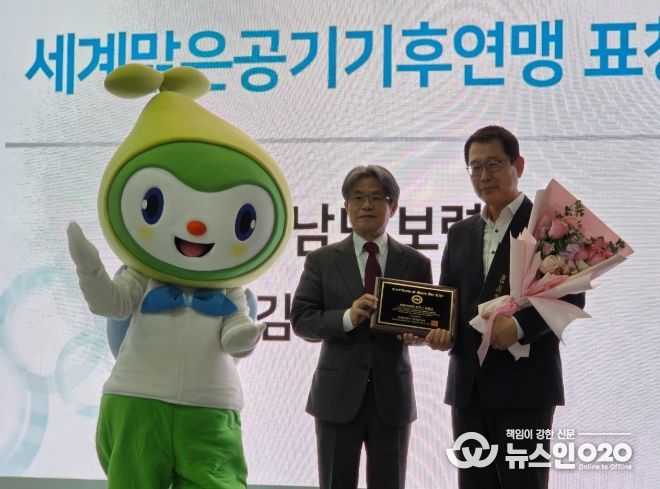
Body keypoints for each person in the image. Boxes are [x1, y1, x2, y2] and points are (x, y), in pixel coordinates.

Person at [424, 125, 585, 489]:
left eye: (494, 164)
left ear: (518, 166)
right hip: (468, 386)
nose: (484, 176)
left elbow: (571, 294)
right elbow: (449, 299)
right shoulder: (459, 232)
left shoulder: (550, 225)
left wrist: (520, 326)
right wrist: (437, 332)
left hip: (527, 384)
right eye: (475, 167)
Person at [290, 165, 433, 489]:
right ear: (346, 206)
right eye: (358, 198)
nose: (366, 205)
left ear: (392, 207)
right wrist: (347, 317)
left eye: (376, 197)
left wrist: (418, 336)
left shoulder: (415, 262)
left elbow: (424, 324)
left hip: (392, 397)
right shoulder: (321, 260)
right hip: (336, 395)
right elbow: (301, 320)